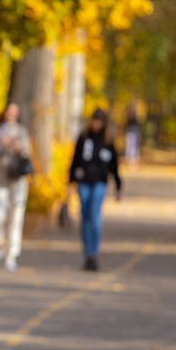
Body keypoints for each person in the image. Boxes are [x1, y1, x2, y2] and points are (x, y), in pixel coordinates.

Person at [68, 108, 121, 272]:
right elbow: (75, 160)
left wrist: (118, 185)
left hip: (99, 182)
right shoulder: (84, 138)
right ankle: (87, 252)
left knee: (94, 215)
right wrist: (70, 182)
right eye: (94, 120)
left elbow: (114, 166)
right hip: (84, 181)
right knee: (85, 216)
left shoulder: (107, 141)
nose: (96, 124)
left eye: (99, 121)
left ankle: (94, 252)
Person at [0, 102, 32, 272]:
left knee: (16, 217)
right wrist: (1, 145)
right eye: (9, 111)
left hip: (17, 180)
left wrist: (18, 147)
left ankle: (12, 254)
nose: (11, 115)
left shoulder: (22, 132)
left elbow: (28, 154)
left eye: (14, 112)